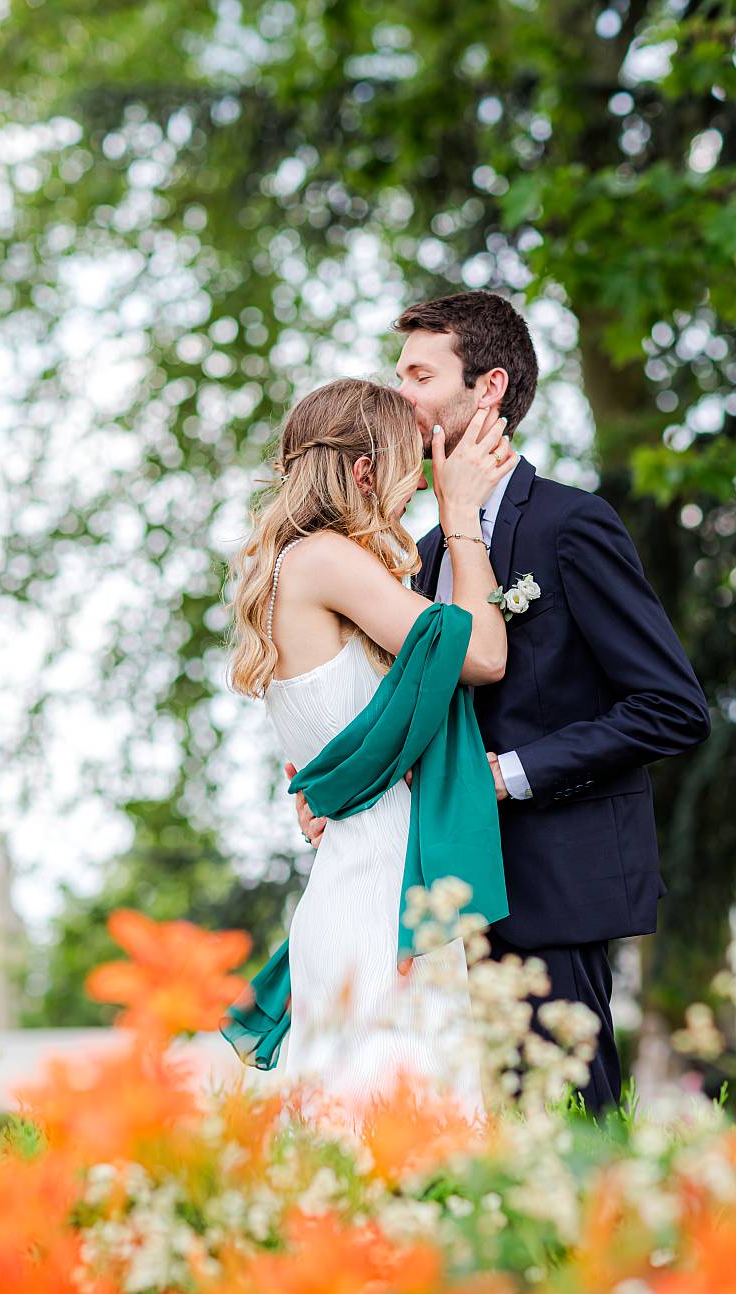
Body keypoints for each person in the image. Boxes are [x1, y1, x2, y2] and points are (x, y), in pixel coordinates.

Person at [295, 293, 712, 1116]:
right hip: (440, 896)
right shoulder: (417, 554)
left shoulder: (569, 524)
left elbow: (671, 706)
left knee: (572, 1128)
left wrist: (509, 775)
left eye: (419, 373)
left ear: (487, 388)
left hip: (553, 882)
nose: (401, 393)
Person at [227, 376, 515, 1121]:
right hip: (382, 886)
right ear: (362, 472)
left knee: (380, 1116)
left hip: (361, 873)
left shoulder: (293, 566)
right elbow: (482, 653)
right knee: (397, 1117)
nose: (420, 487)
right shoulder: (325, 559)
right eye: (412, 468)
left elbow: (341, 746)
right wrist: (461, 520)